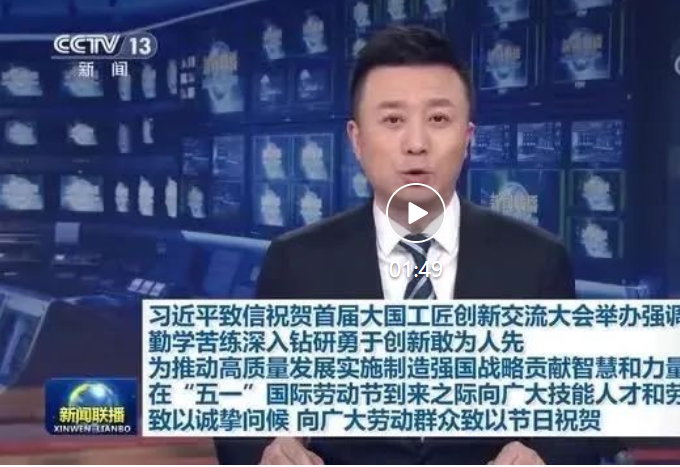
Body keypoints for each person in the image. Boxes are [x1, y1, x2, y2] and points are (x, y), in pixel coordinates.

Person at [214, 25, 623, 465]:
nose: (416, 144)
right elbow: (243, 423)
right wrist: (274, 447)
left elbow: (578, 423)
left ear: (468, 138)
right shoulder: (297, 261)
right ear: (356, 140)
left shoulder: (536, 260)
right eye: (393, 120)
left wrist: (539, 452)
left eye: (438, 120)